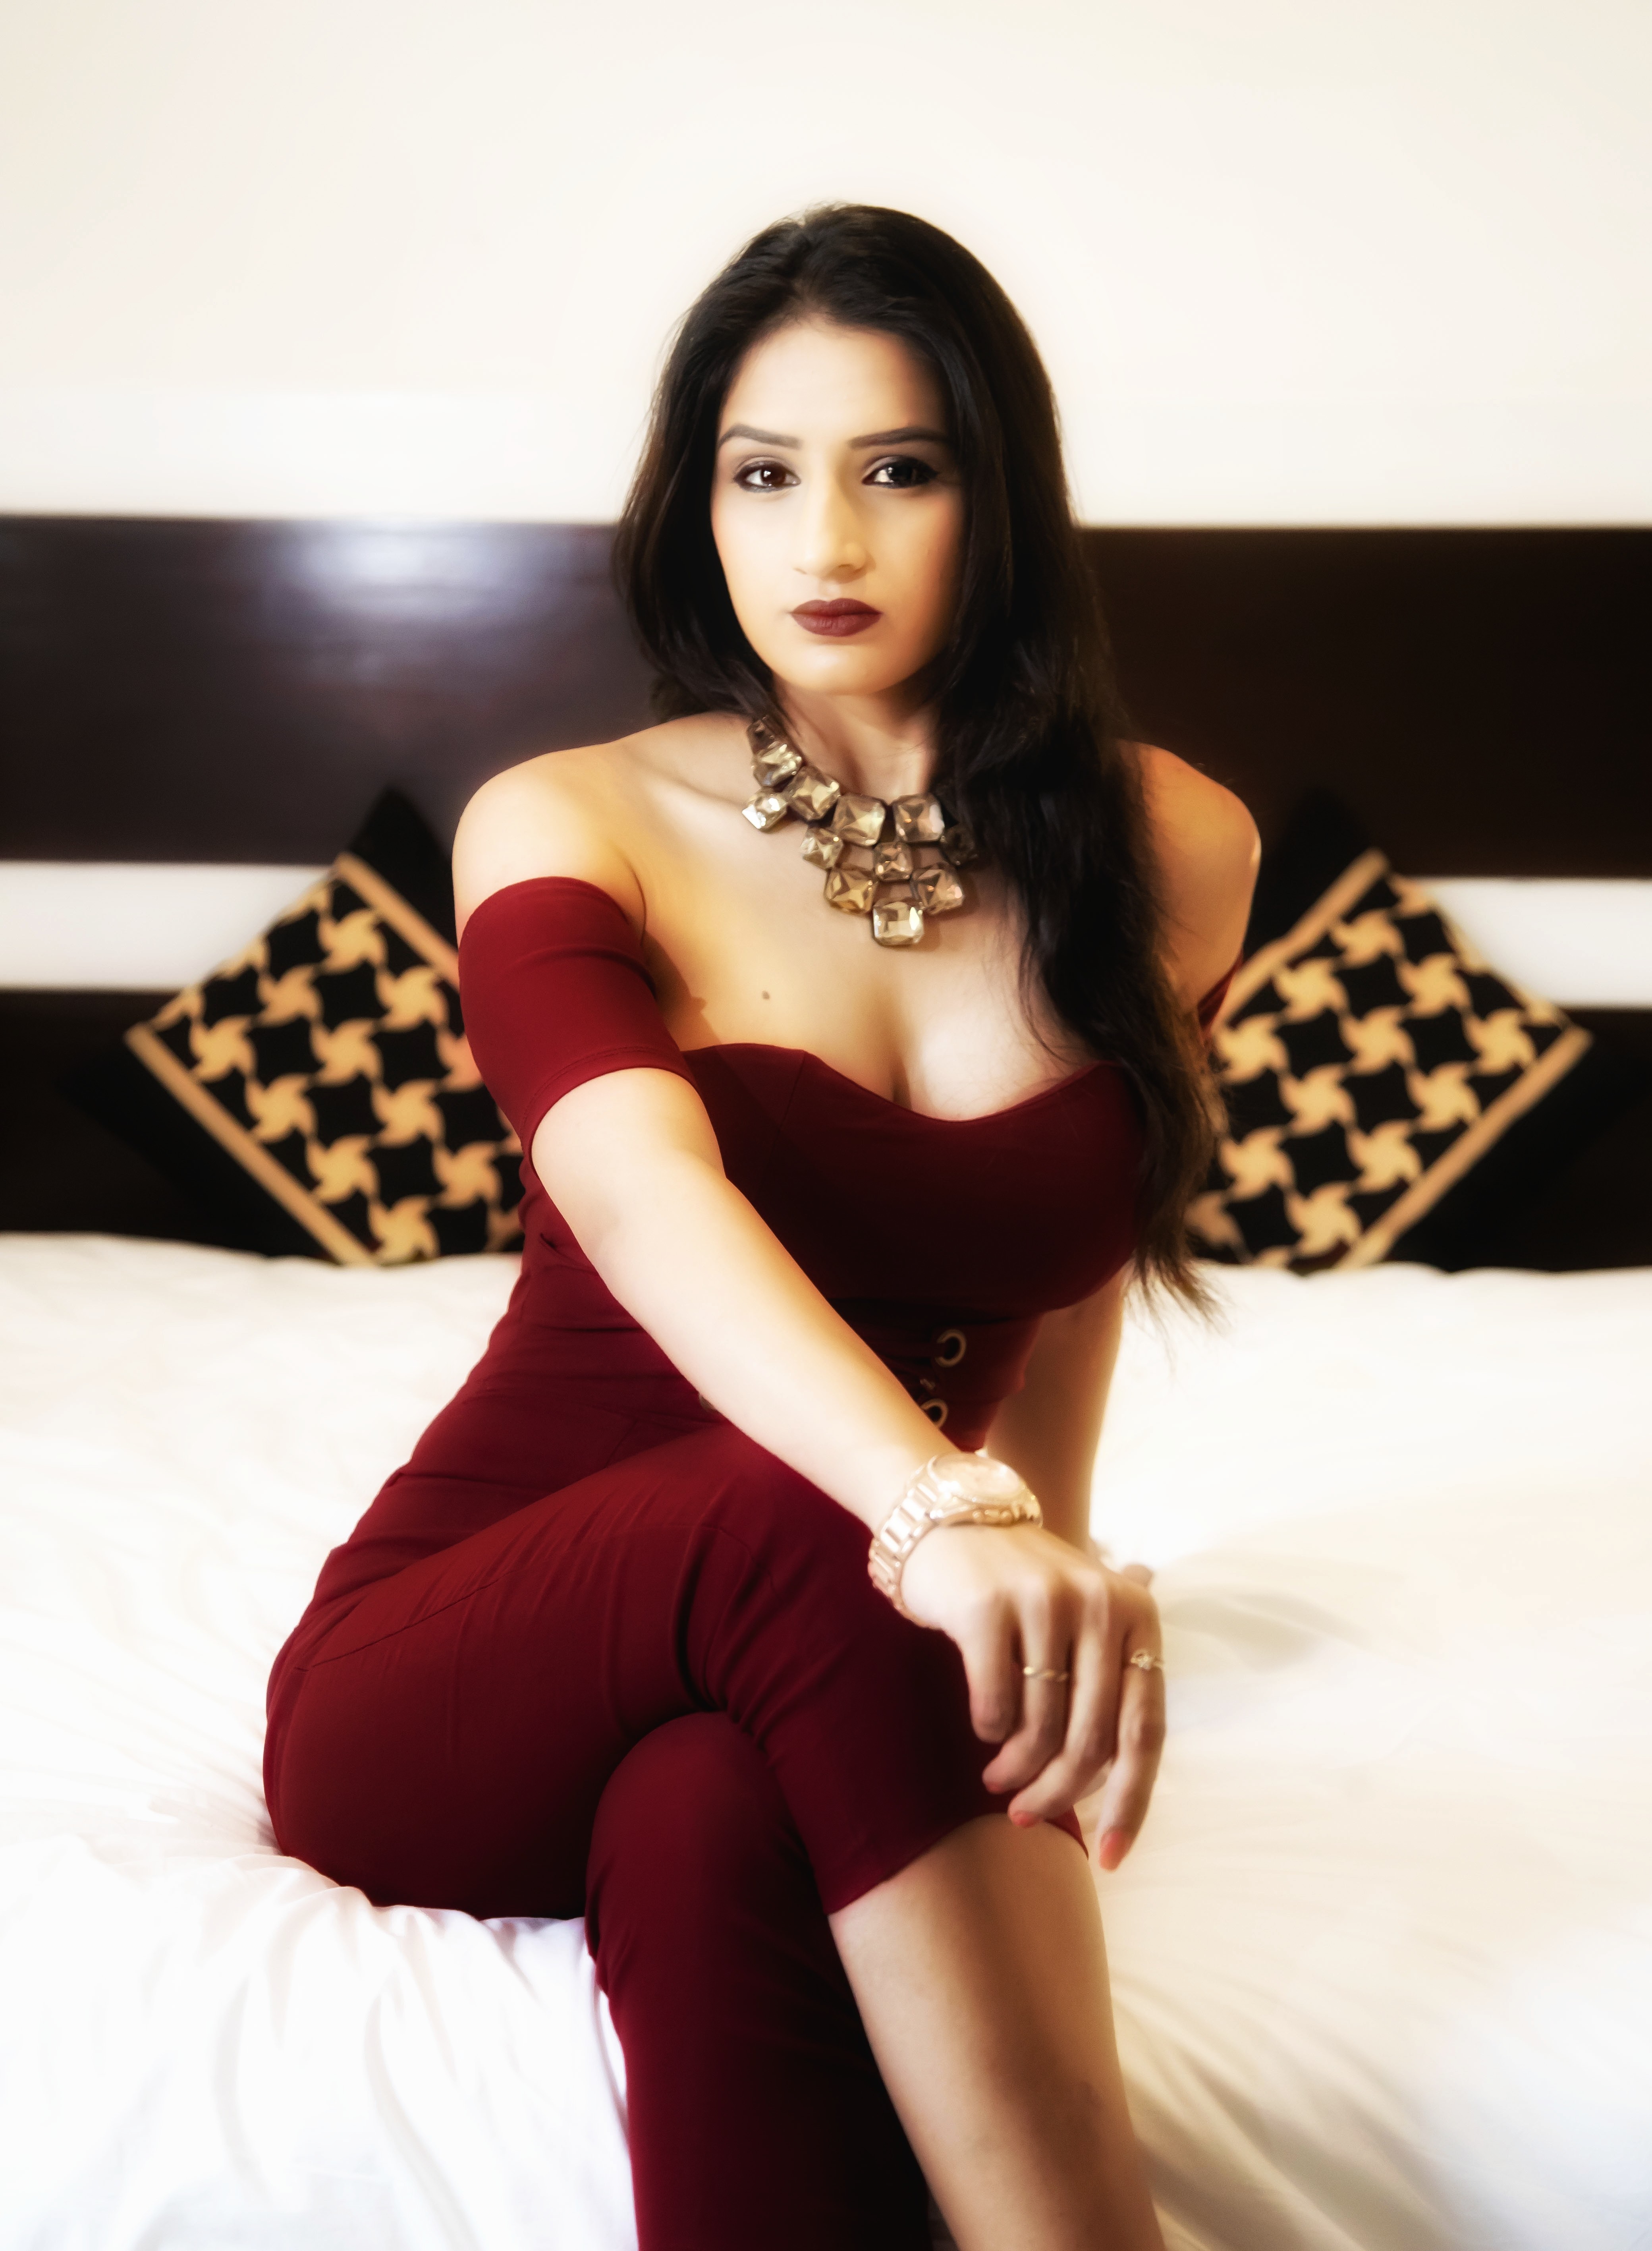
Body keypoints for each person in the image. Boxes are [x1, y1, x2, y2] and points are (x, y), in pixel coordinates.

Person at [263, 203, 1257, 2251]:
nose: (828, 540)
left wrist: (1030, 1652)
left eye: (900, 468)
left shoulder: (1172, 847)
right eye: (763, 473)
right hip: (454, 1674)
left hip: (812, 1647)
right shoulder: (573, 821)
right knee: (817, 1525)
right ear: (693, 505)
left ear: (1001, 495)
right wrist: (948, 1523)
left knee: (710, 1814)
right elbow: (642, 1191)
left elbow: (1067, 1289)